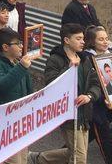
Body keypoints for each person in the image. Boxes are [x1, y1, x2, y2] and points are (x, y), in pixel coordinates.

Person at [29, 24, 101, 164]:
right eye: (78, 38)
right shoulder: (55, 59)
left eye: (83, 39)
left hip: (84, 113)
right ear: (67, 40)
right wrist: (69, 69)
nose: (83, 42)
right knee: (79, 158)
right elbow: (51, 85)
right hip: (67, 114)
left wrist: (89, 96)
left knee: (75, 152)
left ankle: (38, 158)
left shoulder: (85, 59)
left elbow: (95, 83)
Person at [0, 28, 35, 164]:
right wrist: (22, 67)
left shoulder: (17, 62)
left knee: (22, 159)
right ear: (5, 47)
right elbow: (2, 85)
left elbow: (28, 89)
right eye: (17, 43)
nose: (22, 46)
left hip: (20, 119)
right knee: (12, 161)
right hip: (3, 121)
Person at [83, 25, 112, 164]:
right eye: (101, 39)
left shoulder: (109, 54)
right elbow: (89, 87)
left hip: (109, 104)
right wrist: (104, 98)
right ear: (92, 41)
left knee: (87, 137)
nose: (105, 42)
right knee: (106, 140)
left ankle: (52, 158)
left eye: (106, 38)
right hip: (96, 107)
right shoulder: (87, 59)